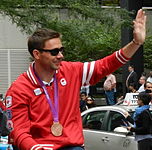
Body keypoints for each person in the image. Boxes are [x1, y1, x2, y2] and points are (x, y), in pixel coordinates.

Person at [5, 9, 146, 150]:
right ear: (36, 54)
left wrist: (135, 43)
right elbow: (18, 130)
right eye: (54, 51)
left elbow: (106, 64)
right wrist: (35, 148)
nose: (60, 55)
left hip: (73, 146)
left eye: (62, 50)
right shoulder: (19, 89)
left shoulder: (71, 71)